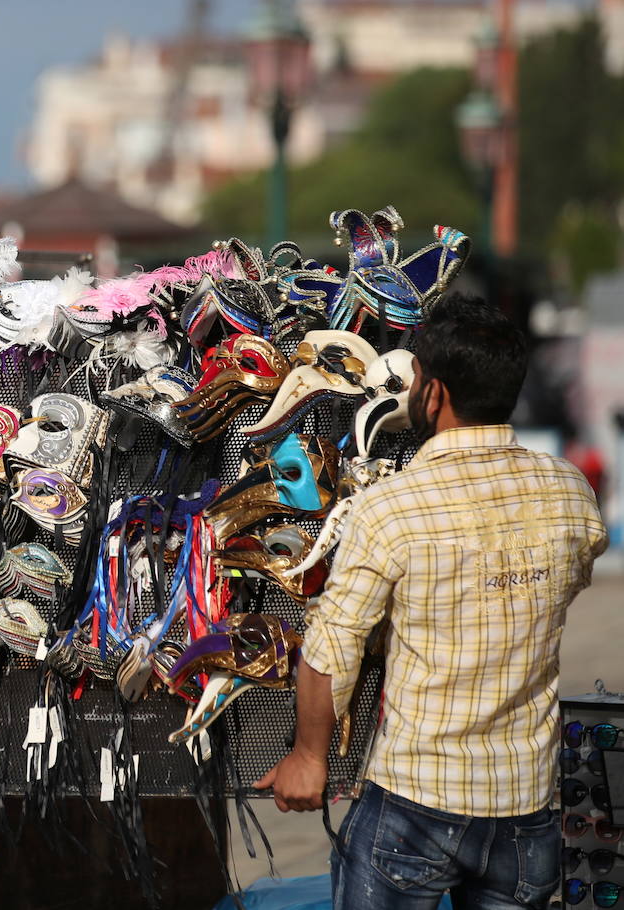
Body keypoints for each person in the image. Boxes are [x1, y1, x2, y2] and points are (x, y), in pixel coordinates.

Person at [255, 295, 609, 909]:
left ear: (435, 393)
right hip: (527, 808)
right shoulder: (569, 490)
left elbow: (331, 647)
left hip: (417, 804)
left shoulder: (390, 508)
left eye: (414, 377)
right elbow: (575, 574)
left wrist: (308, 758)